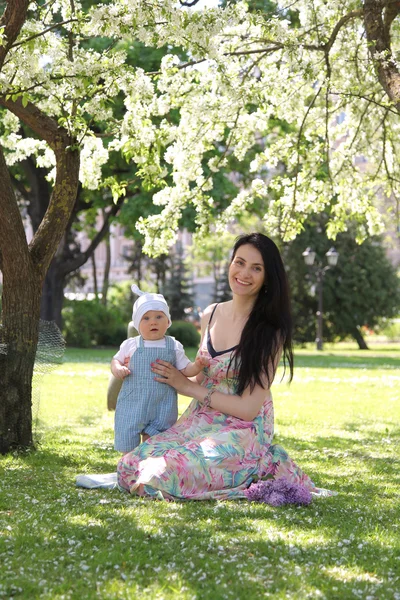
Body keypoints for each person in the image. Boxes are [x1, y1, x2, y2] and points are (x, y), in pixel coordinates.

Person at [117, 233, 331, 500]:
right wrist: (155, 373)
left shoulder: (270, 331)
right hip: (199, 421)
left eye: (256, 268)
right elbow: (201, 376)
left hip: (242, 431)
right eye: (239, 262)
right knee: (128, 465)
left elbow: (248, 408)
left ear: (268, 277)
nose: (244, 273)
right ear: (230, 264)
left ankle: (261, 464)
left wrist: (185, 386)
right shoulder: (211, 314)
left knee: (162, 473)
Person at [112, 285, 207, 453]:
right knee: (129, 447)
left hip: (162, 405)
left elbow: (186, 370)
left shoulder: (173, 346)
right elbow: (115, 360)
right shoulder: (131, 344)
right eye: (146, 318)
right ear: (137, 323)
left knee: (154, 447)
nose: (153, 322)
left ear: (168, 321)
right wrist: (118, 368)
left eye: (158, 316)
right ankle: (127, 471)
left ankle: (148, 473)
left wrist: (197, 365)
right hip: (133, 403)